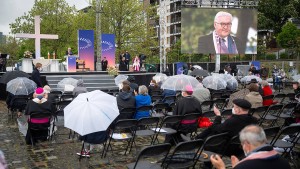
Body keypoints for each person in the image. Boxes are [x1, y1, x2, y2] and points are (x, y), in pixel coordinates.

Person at [210, 125, 291, 169]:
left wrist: (221, 167)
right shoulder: (284, 162)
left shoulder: (245, 166)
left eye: (241, 144)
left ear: (246, 144)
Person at [183, 99, 258, 142]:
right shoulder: (254, 120)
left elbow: (216, 128)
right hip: (242, 143)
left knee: (211, 129)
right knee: (212, 128)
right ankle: (197, 138)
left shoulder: (232, 121)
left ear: (238, 109)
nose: (233, 108)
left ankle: (196, 140)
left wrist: (218, 115)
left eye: (234, 107)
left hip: (229, 145)